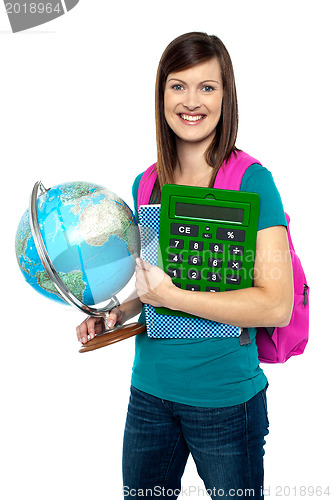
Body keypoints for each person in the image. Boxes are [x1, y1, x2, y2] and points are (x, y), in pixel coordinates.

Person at [76, 32, 294, 499]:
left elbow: (276, 306)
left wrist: (172, 297)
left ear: (225, 96)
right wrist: (119, 312)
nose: (191, 101)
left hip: (226, 401)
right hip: (150, 397)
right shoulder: (146, 183)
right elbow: (159, 285)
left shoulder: (252, 181)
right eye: (178, 86)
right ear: (161, 95)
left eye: (207, 87)